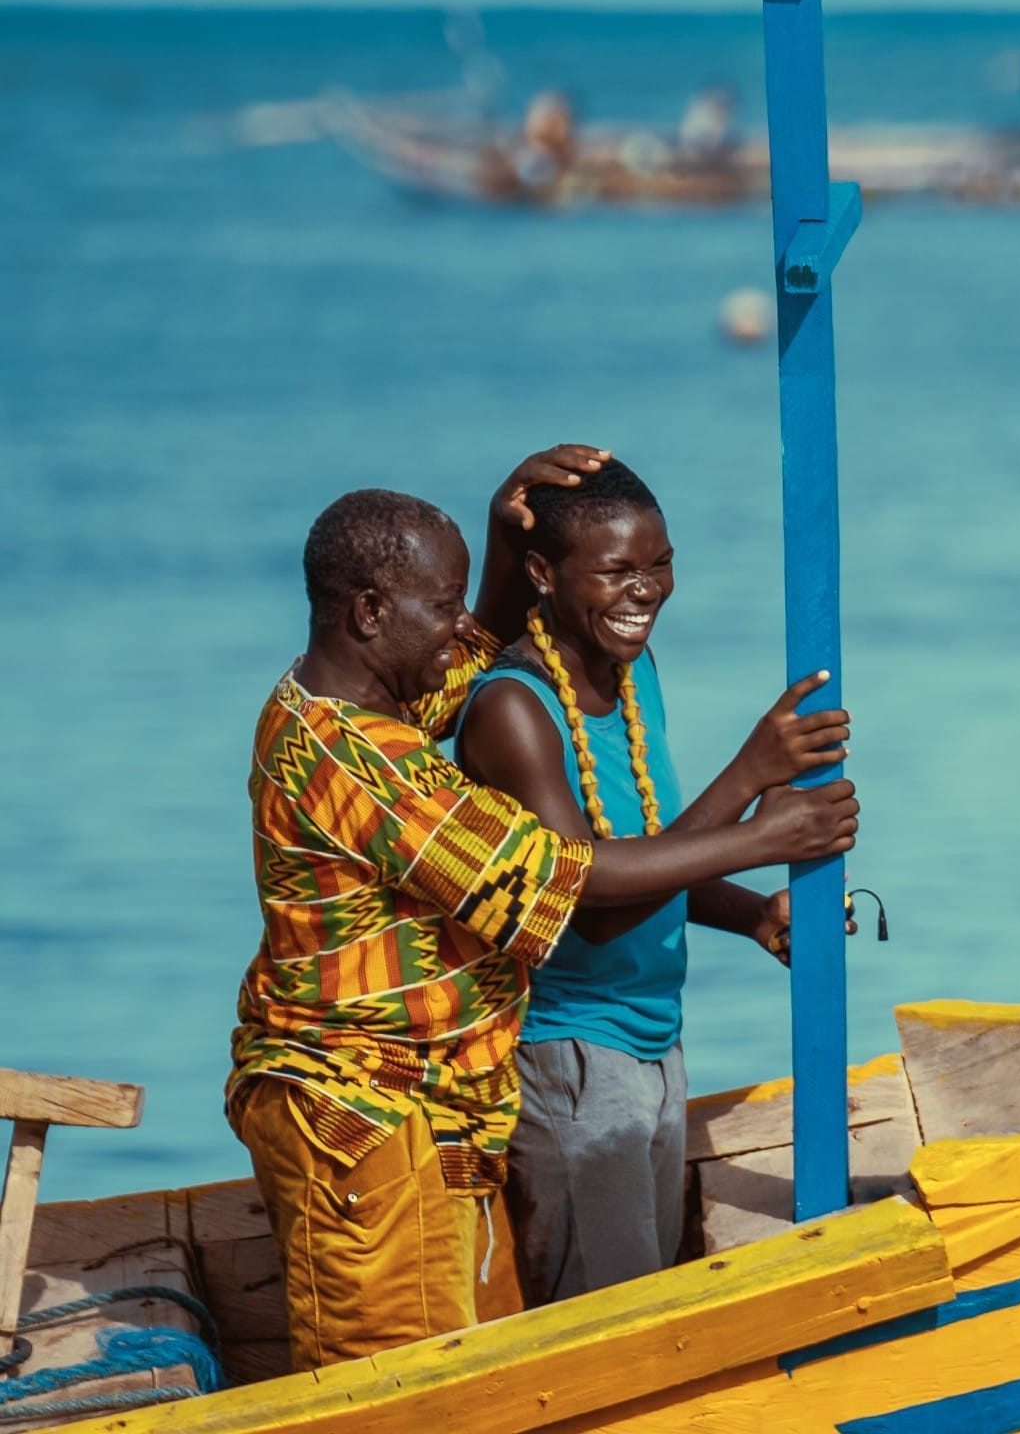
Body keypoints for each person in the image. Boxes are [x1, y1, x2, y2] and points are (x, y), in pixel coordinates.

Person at [228, 448, 860, 1372]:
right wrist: (765, 821)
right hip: (359, 1115)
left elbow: (461, 665)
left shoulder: (353, 699)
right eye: (440, 607)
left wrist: (495, 541)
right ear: (367, 612)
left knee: (496, 1372)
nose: (461, 629)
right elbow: (558, 880)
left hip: (437, 1110)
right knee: (400, 1388)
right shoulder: (362, 765)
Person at [453, 459, 852, 1306]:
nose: (645, 591)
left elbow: (656, 855)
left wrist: (751, 915)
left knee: (651, 1295)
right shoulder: (512, 710)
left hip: (655, 1040)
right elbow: (584, 901)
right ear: (541, 575)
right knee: (612, 1319)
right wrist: (751, 790)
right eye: (615, 572)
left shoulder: (632, 672)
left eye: (659, 564)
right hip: (570, 1061)